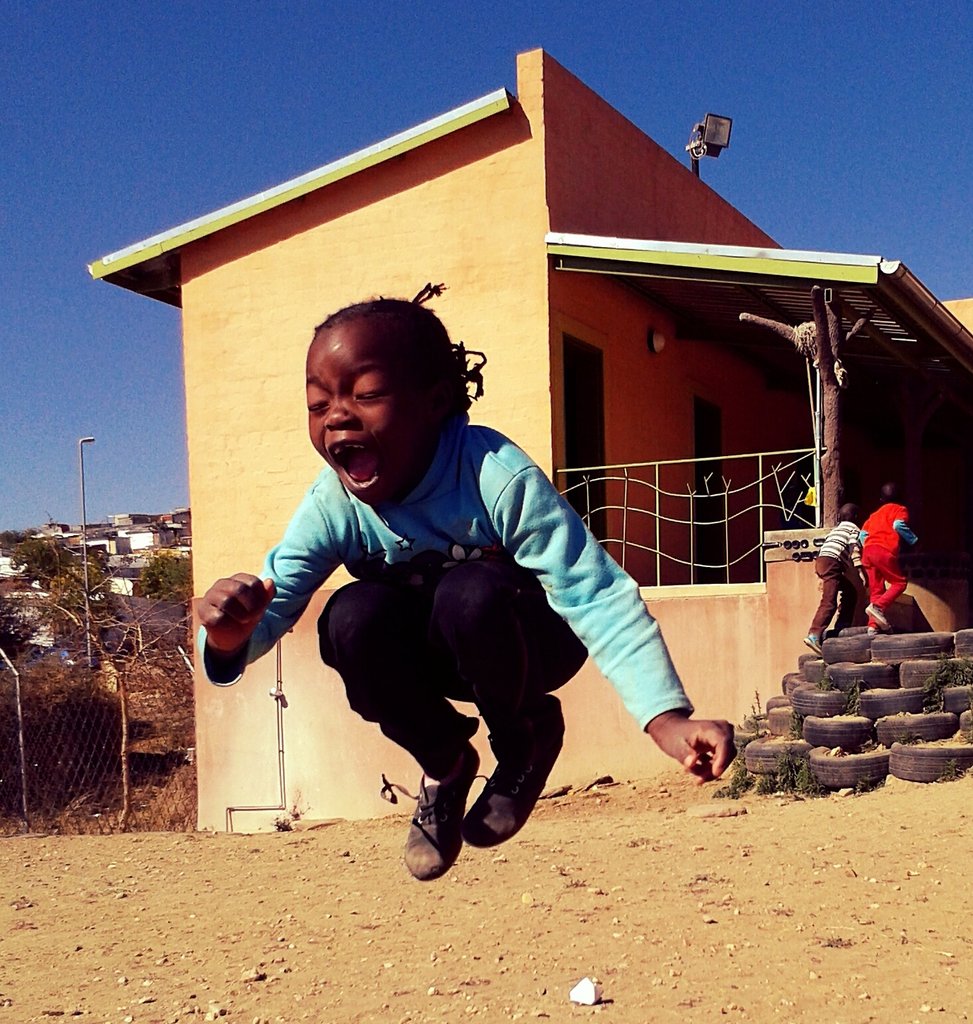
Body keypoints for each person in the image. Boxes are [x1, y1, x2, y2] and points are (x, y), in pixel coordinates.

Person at [197, 289, 735, 882]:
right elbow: (271, 609)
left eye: (366, 394)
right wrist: (228, 636)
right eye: (318, 403)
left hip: (530, 641)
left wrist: (666, 719)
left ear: (434, 402)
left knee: (469, 594)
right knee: (350, 616)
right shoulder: (333, 506)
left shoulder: (491, 473)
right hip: (443, 658)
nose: (337, 417)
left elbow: (595, 593)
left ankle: (526, 739)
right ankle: (446, 764)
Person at [803, 502, 867, 656]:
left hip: (822, 561)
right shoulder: (854, 529)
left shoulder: (836, 530)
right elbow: (854, 548)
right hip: (832, 564)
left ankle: (842, 625)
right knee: (829, 602)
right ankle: (814, 634)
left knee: (850, 592)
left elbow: (826, 548)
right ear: (856, 517)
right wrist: (860, 571)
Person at [860, 482, 918, 633]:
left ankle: (873, 627)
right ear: (900, 498)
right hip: (883, 551)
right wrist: (913, 540)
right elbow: (898, 525)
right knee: (899, 583)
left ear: (881, 500)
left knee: (876, 590)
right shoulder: (900, 509)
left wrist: (870, 545)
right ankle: (878, 607)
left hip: (868, 552)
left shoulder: (874, 515)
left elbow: (862, 535)